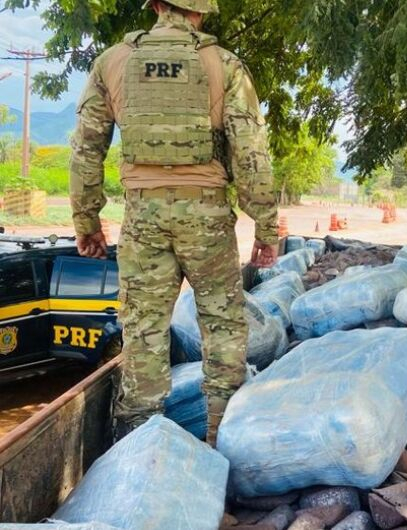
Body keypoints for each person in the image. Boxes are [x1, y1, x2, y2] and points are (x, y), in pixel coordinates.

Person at [69, 0, 278, 446]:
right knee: (222, 326)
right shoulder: (224, 65)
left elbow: (86, 149)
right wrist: (266, 227)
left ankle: (138, 453)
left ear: (158, 6)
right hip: (207, 220)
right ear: (201, 11)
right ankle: (222, 441)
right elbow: (251, 153)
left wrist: (86, 220)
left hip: (143, 217)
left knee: (143, 333)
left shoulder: (112, 62)